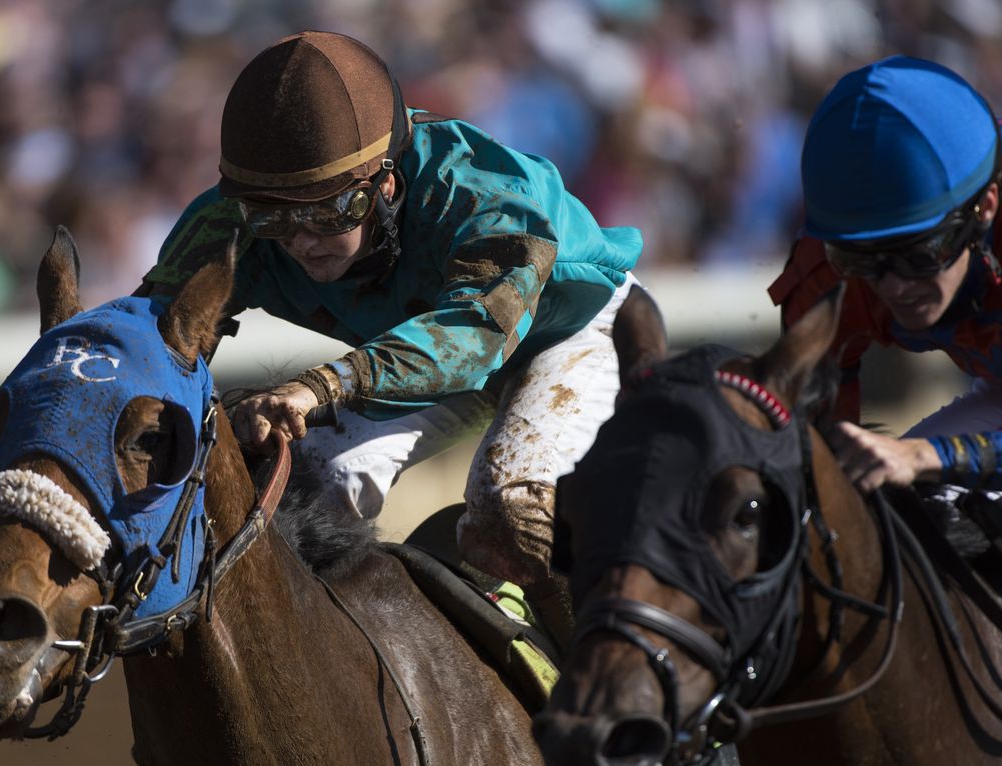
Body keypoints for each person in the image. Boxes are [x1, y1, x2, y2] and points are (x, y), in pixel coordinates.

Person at [135, 30, 644, 641]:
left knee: (507, 508)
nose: (300, 240)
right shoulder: (228, 222)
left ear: (386, 184)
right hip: (414, 348)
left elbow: (476, 334)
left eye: (328, 213)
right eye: (271, 217)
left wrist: (322, 386)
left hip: (565, 331)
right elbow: (148, 338)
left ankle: (611, 695)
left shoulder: (481, 189)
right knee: (296, 501)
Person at [768, 55, 1002, 576]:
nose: (895, 285)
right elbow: (821, 445)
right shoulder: (828, 271)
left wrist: (931, 455)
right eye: (865, 260)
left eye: (921, 251)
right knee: (898, 515)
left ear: (986, 207)